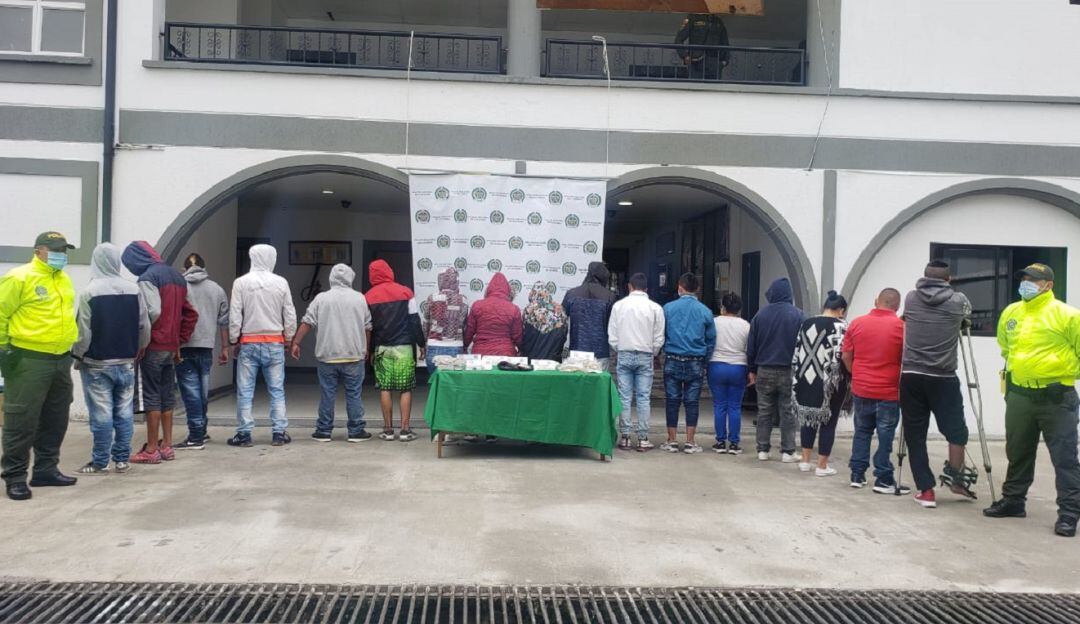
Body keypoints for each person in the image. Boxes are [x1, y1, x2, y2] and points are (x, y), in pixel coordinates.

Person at [985, 263, 1080, 538]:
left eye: (1033, 280)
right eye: (1024, 278)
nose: (1026, 283)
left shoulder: (1067, 315)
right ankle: (1014, 501)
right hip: (1019, 395)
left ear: (1048, 285)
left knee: (1064, 458)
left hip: (1056, 397)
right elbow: (1006, 346)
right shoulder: (1012, 312)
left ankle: (1069, 513)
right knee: (1018, 451)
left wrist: (1055, 369)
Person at [0, 232, 79, 500]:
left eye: (64, 250)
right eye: (55, 250)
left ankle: (46, 469)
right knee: (21, 420)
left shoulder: (63, 280)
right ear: (38, 251)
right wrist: (4, 351)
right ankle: (15, 476)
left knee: (55, 418)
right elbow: (1, 313)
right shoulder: (19, 277)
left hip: (60, 359)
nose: (61, 255)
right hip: (28, 359)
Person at [900, 261, 975, 509]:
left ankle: (926, 490)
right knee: (955, 429)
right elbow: (967, 318)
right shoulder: (958, 300)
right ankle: (956, 476)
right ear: (949, 279)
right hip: (943, 377)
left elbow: (905, 319)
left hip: (911, 375)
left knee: (915, 433)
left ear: (924, 277)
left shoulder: (911, 298)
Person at [71, 243, 151, 475]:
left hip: (97, 363)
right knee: (124, 412)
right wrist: (139, 348)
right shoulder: (134, 290)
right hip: (126, 361)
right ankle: (122, 459)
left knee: (101, 415)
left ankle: (100, 461)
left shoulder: (89, 292)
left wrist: (78, 355)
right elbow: (144, 325)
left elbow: (83, 331)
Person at [121, 241, 198, 464]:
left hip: (153, 346)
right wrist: (178, 340)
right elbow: (191, 312)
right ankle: (167, 446)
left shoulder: (148, 278)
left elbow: (152, 311)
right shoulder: (177, 276)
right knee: (167, 396)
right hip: (170, 348)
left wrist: (141, 342)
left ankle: (152, 448)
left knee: (151, 397)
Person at [290, 264, 372, 443]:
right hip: (353, 355)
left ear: (331, 277)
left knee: (327, 393)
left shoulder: (321, 298)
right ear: (351, 277)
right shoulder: (359, 298)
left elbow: (307, 322)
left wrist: (295, 342)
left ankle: (324, 431)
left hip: (327, 356)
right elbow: (368, 326)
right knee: (354, 394)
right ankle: (356, 431)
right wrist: (366, 348)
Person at [227, 244, 296, 447]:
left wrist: (233, 339)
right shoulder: (281, 282)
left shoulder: (240, 283)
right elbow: (289, 313)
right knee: (277, 390)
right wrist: (289, 338)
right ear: (272, 258)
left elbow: (235, 314)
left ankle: (244, 434)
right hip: (275, 342)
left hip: (248, 342)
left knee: (245, 391)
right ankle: (279, 433)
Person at [841, 288, 908, 494]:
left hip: (861, 387)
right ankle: (883, 478)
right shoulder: (902, 327)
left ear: (876, 300)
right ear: (897, 306)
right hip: (889, 391)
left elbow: (845, 355)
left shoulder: (857, 323)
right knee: (885, 435)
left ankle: (857, 474)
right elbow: (906, 358)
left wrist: (856, 372)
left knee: (861, 431)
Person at [366, 259, 426, 442]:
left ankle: (388, 430)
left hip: (382, 348)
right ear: (389, 271)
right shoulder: (406, 292)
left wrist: (370, 350)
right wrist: (421, 344)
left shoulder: (367, 297)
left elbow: (367, 327)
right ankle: (406, 431)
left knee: (385, 387)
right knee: (405, 388)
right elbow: (414, 321)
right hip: (404, 348)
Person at [175, 253, 229, 450]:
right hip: (206, 346)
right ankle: (202, 431)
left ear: (184, 269)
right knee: (202, 392)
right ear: (205, 268)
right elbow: (224, 321)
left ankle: (195, 437)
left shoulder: (179, 287)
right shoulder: (216, 289)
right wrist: (225, 347)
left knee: (190, 393)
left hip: (184, 346)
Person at [747, 277, 805, 462]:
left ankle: (762, 450)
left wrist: (751, 369)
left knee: (764, 410)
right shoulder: (799, 316)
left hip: (764, 369)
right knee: (788, 412)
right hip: (789, 371)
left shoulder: (760, 315)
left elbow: (751, 345)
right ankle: (788, 451)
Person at [792, 291, 849, 477]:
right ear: (841, 310)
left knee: (808, 419)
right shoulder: (841, 326)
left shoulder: (806, 323)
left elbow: (797, 352)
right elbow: (842, 356)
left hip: (806, 378)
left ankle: (805, 461)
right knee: (828, 422)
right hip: (831, 383)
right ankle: (822, 465)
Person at [608, 273, 665, 452]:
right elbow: (658, 337)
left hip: (624, 353)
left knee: (624, 397)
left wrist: (619, 349)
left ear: (629, 287)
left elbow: (612, 335)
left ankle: (625, 437)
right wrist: (653, 352)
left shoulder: (619, 306)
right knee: (643, 398)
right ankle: (642, 438)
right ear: (646, 289)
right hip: (645, 354)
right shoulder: (655, 308)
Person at [660, 273, 716, 454]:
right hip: (695, 361)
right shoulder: (705, 311)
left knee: (672, 401)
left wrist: (660, 353)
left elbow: (661, 334)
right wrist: (705, 360)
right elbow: (711, 340)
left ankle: (672, 439)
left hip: (673, 359)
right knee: (692, 402)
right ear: (697, 289)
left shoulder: (668, 308)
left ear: (680, 287)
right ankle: (691, 441)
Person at [707, 292, 750, 455]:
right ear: (739, 309)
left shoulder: (714, 322)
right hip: (738, 367)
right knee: (734, 406)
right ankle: (733, 443)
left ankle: (719, 441)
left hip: (716, 365)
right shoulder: (746, 325)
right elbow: (749, 349)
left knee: (719, 405)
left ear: (722, 307)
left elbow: (708, 342)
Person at [562, 262, 617, 370]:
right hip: (600, 352)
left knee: (577, 385)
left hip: (577, 350)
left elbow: (561, 319)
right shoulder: (610, 296)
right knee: (599, 386)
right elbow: (614, 324)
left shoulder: (572, 293)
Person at [421, 268, 469, 375]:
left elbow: (426, 325)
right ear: (456, 281)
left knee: (435, 384)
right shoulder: (464, 300)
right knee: (454, 387)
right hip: (456, 347)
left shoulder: (432, 298)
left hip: (434, 347)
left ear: (440, 280)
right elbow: (465, 327)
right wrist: (465, 346)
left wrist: (423, 344)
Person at [464, 272, 522, 357]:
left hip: (480, 353)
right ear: (507, 290)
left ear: (489, 289)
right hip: (506, 354)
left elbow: (469, 331)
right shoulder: (514, 309)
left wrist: (465, 346)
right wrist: (522, 349)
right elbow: (517, 336)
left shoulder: (477, 305)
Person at [521, 281, 568, 362]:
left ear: (532, 293)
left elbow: (523, 335)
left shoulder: (529, 310)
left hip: (532, 362)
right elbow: (563, 336)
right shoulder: (560, 310)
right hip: (553, 361)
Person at [675, 13, 730, 81]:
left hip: (714, 63)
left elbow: (725, 43)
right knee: (695, 88)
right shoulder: (693, 18)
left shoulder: (718, 21)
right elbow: (678, 39)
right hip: (696, 62)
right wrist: (685, 56)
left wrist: (724, 62)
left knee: (714, 89)